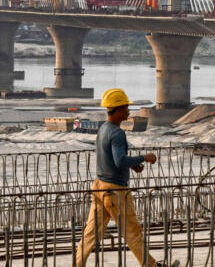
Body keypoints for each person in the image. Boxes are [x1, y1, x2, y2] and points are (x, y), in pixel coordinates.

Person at [73, 88, 177, 267]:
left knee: (90, 233)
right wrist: (144, 158)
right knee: (132, 232)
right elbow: (120, 160)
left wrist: (133, 164)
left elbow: (112, 158)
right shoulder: (117, 133)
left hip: (100, 186)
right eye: (126, 107)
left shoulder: (103, 129)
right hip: (116, 191)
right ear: (119, 109)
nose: (129, 111)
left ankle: (77, 265)